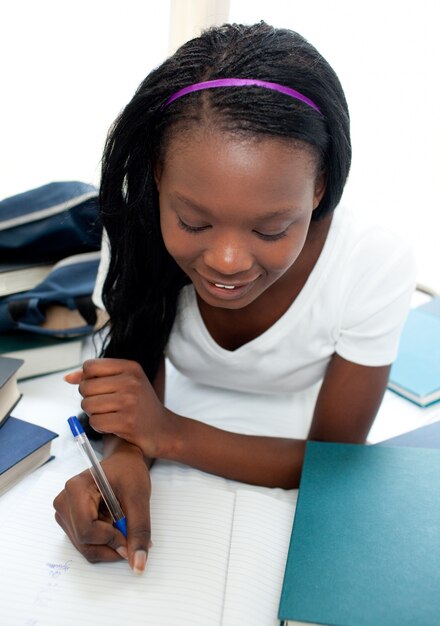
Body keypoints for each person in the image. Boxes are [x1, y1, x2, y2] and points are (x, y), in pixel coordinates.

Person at [53, 21, 415, 575]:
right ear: (158, 177)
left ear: (318, 188)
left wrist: (168, 434)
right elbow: (135, 366)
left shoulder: (371, 262)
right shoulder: (134, 231)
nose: (227, 261)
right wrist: (126, 456)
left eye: (271, 230)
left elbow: (335, 461)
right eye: (192, 221)